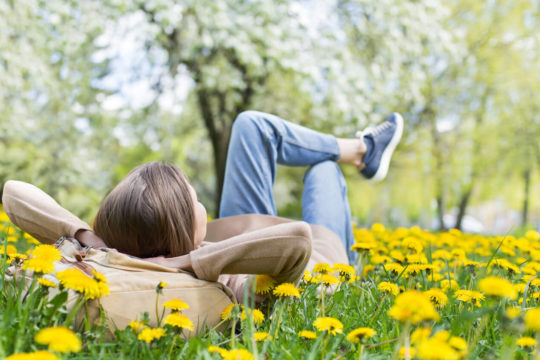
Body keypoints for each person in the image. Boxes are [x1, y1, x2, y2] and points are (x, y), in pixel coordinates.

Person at [2, 111, 403, 301]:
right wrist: (190, 263)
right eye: (194, 199)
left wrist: (93, 240)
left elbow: (14, 191)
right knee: (322, 172)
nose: (199, 201)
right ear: (179, 235)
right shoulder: (223, 283)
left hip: (244, 229)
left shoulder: (137, 248)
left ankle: (363, 150)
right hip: (323, 249)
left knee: (250, 125)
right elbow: (297, 240)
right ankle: (359, 152)